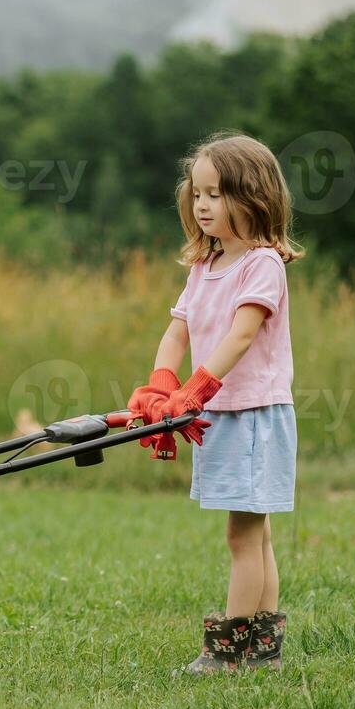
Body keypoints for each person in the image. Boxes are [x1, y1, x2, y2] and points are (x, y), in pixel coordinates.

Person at [128, 132, 303, 674]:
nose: (203, 204)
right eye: (198, 193)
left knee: (243, 534)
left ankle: (228, 651)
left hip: (250, 415)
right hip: (220, 416)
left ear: (253, 197)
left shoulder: (261, 265)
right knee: (256, 532)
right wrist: (162, 383)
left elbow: (242, 335)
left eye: (217, 194)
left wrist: (195, 390)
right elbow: (177, 332)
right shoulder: (204, 266)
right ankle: (263, 650)